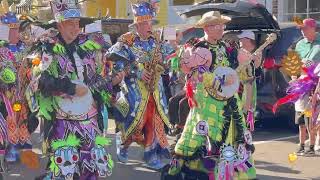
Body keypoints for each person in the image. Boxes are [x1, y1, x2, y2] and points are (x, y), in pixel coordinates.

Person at [164, 11, 256, 180]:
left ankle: (232, 171)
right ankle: (203, 170)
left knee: (234, 134)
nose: (221, 28)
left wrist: (247, 64)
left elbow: (241, 71)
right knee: (205, 135)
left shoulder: (227, 47)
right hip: (207, 101)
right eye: (216, 25)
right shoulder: (199, 48)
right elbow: (192, 73)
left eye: (222, 25)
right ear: (206, 28)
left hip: (229, 99)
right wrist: (215, 79)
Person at [28, 0, 114, 179]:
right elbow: (39, 80)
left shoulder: (87, 46)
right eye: (70, 24)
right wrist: (70, 87)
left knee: (92, 163)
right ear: (59, 24)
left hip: (89, 118)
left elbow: (95, 78)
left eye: (77, 24)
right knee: (65, 164)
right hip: (62, 119)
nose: (75, 28)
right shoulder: (47, 48)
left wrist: (111, 82)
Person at [108, 0, 172, 170]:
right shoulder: (126, 41)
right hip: (133, 91)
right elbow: (115, 63)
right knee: (135, 122)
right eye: (143, 23)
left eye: (149, 22)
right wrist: (137, 72)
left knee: (153, 120)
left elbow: (168, 66)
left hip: (154, 91)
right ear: (136, 25)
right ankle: (124, 144)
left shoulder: (157, 41)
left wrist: (162, 63)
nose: (147, 26)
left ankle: (151, 154)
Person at [294, 18, 320, 156]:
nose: (303, 31)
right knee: (302, 116)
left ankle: (314, 145)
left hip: (318, 84)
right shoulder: (299, 44)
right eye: (301, 29)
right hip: (303, 84)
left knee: (314, 117)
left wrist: (315, 66)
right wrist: (294, 78)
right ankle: (304, 145)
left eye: (305, 29)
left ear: (313, 28)